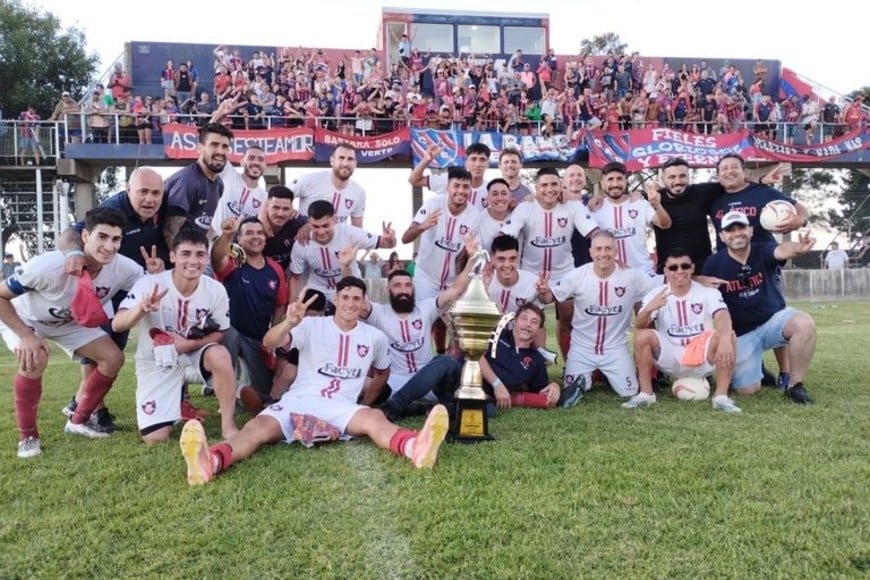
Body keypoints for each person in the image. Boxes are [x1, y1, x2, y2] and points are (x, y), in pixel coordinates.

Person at [179, 277, 451, 485]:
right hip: (299, 401)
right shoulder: (310, 325)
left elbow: (383, 373)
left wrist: (365, 404)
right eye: (346, 298)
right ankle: (211, 461)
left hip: (341, 407)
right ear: (337, 299)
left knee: (375, 419)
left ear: (363, 303)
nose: (351, 304)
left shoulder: (374, 337)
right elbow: (268, 342)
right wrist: (288, 323)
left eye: (357, 299)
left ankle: (416, 448)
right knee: (256, 428)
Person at [0, 207, 143, 458]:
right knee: (35, 358)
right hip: (28, 319)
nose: (109, 246)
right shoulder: (47, 266)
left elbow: (150, 287)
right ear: (85, 236)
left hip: (70, 322)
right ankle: (28, 437)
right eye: (102, 237)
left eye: (116, 239)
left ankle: (78, 421)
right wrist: (26, 336)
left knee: (113, 359)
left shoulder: (126, 269)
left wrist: (155, 273)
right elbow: (1, 296)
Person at [58, 167, 171, 430]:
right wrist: (74, 253)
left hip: (128, 290)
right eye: (143, 192)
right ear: (127, 189)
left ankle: (79, 401)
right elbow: (69, 234)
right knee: (100, 352)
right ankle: (95, 410)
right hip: (102, 290)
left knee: (115, 351)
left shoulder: (159, 213)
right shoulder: (113, 209)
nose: (150, 199)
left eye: (156, 193)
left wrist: (156, 270)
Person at [113, 228, 242, 443]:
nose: (193, 261)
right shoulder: (150, 283)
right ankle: (174, 403)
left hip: (192, 358)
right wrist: (141, 309)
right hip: (156, 362)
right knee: (155, 438)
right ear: (173, 256)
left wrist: (189, 344)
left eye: (200, 255)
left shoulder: (216, 290)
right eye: (185, 254)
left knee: (219, 354)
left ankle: (228, 426)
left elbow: (220, 331)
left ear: (207, 259)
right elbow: (117, 324)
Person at [701, 211, 816, 404]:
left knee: (804, 323)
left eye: (741, 228)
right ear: (721, 236)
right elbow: (701, 292)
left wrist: (798, 247)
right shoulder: (714, 263)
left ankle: (795, 386)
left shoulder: (762, 250)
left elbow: (782, 250)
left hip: (772, 323)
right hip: (742, 334)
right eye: (730, 230)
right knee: (747, 390)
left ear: (751, 231)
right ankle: (756, 365)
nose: (736, 233)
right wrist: (698, 279)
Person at [361, 235, 476, 420]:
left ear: (413, 289)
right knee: (358, 383)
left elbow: (456, 289)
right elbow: (356, 298)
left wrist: (471, 260)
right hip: (394, 382)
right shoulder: (379, 312)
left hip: (428, 380)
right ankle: (418, 408)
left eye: (408, 285)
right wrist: (346, 266)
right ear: (388, 290)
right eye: (397, 286)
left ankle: (402, 406)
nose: (403, 290)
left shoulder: (426, 308)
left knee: (446, 363)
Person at [544, 231, 661, 406]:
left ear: (616, 251)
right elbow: (548, 297)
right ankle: (591, 375)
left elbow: (663, 283)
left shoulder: (632, 276)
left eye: (608, 248)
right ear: (591, 252)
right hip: (582, 349)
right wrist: (543, 291)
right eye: (598, 249)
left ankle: (609, 373)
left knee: (629, 391)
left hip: (615, 349)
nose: (603, 253)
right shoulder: (577, 275)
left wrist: (692, 280)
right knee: (571, 389)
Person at [623, 248, 741, 413]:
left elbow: (722, 316)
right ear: (666, 271)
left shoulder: (708, 292)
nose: (679, 271)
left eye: (684, 266)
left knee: (729, 335)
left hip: (703, 356)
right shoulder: (656, 294)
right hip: (671, 358)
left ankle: (721, 397)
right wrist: (650, 308)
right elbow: (640, 325)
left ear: (692, 268)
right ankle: (645, 394)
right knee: (642, 335)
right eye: (673, 267)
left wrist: (725, 340)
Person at [500, 167, 599, 360]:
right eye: (544, 185)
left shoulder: (573, 206)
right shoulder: (525, 207)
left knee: (569, 318)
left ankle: (571, 365)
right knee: (530, 322)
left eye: (554, 184)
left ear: (561, 186)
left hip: (564, 273)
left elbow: (593, 232)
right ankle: (528, 364)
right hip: (531, 273)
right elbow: (505, 237)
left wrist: (604, 250)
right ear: (536, 187)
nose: (549, 189)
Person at [401, 167, 480, 354]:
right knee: (422, 323)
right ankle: (419, 362)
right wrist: (422, 226)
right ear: (448, 187)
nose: (461, 191)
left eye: (465, 187)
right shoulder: (433, 204)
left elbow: (469, 254)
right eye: (456, 186)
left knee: (457, 329)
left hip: (453, 282)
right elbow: (405, 238)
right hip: (426, 277)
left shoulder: (474, 215)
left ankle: (447, 361)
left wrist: (470, 255)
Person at [212, 216, 288, 406]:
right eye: (249, 233)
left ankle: (240, 390)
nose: (256, 237)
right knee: (228, 333)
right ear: (239, 238)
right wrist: (226, 235)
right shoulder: (233, 262)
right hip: (230, 332)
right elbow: (216, 258)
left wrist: (274, 336)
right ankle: (225, 396)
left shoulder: (275, 269)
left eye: (260, 233)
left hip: (257, 338)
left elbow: (280, 305)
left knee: (263, 392)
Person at [289, 200, 396, 302]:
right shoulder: (301, 243)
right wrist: (291, 305)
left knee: (362, 311)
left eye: (325, 226)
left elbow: (387, 244)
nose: (321, 231)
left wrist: (390, 240)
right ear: (309, 222)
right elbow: (295, 277)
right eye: (316, 226)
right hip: (317, 291)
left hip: (349, 287)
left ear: (334, 219)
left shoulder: (349, 233)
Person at [591, 161, 671, 273]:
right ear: (603, 183)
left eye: (619, 179)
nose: (615, 184)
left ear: (625, 181)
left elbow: (665, 224)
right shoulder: (594, 209)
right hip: (611, 275)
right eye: (610, 179)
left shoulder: (639, 203)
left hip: (642, 272)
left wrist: (657, 205)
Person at [481, 303, 563, 412]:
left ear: (539, 329)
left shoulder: (536, 360)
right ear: (515, 321)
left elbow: (541, 391)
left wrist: (555, 386)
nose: (528, 324)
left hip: (488, 400)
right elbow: (476, 356)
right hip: (468, 381)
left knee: (486, 412)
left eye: (534, 322)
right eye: (524, 318)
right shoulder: (497, 335)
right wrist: (497, 384)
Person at [163, 123, 234, 247]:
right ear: (200, 148)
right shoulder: (188, 180)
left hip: (195, 252)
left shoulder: (219, 184)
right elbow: (170, 231)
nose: (220, 151)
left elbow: (202, 222)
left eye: (225, 146)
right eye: (214, 145)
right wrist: (178, 257)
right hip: (176, 255)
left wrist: (219, 241)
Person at [291, 143, 366, 227]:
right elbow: (281, 197)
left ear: (355, 164)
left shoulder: (358, 192)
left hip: (337, 236)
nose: (345, 163)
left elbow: (357, 229)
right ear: (332, 160)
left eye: (350, 159)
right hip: (306, 234)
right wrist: (297, 218)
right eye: (341, 158)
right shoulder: (308, 180)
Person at [409, 142, 491, 211]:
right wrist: (426, 160)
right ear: (466, 162)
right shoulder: (449, 180)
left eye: (482, 160)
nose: (478, 164)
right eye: (473, 159)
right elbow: (414, 180)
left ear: (488, 163)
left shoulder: (491, 190)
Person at [211, 146, 268, 232]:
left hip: (242, 240)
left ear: (265, 166)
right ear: (242, 162)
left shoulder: (265, 197)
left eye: (261, 159)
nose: (256, 162)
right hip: (214, 239)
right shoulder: (228, 173)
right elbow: (214, 152)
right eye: (251, 158)